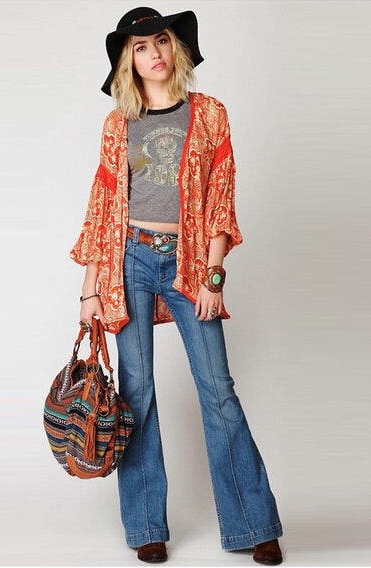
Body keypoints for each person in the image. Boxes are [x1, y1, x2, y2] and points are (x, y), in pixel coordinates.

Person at [69, 7, 284, 564]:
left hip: (189, 262)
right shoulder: (119, 124)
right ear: (129, 61)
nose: (154, 54)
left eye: (161, 41)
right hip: (129, 261)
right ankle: (146, 527)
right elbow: (102, 206)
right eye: (140, 47)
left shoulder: (208, 113)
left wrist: (213, 275)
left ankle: (254, 524)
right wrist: (91, 290)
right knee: (135, 392)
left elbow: (221, 197)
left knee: (218, 390)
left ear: (176, 48)